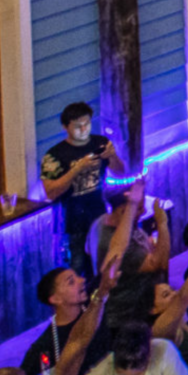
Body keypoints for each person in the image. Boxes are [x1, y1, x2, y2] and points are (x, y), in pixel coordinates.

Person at [41, 103, 124, 273]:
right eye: (78, 126)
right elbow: (51, 192)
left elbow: (121, 173)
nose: (84, 129)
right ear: (66, 127)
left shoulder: (100, 143)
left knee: (105, 265)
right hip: (71, 223)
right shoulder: (55, 155)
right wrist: (78, 169)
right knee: (78, 268)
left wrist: (113, 156)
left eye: (87, 123)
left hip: (100, 216)